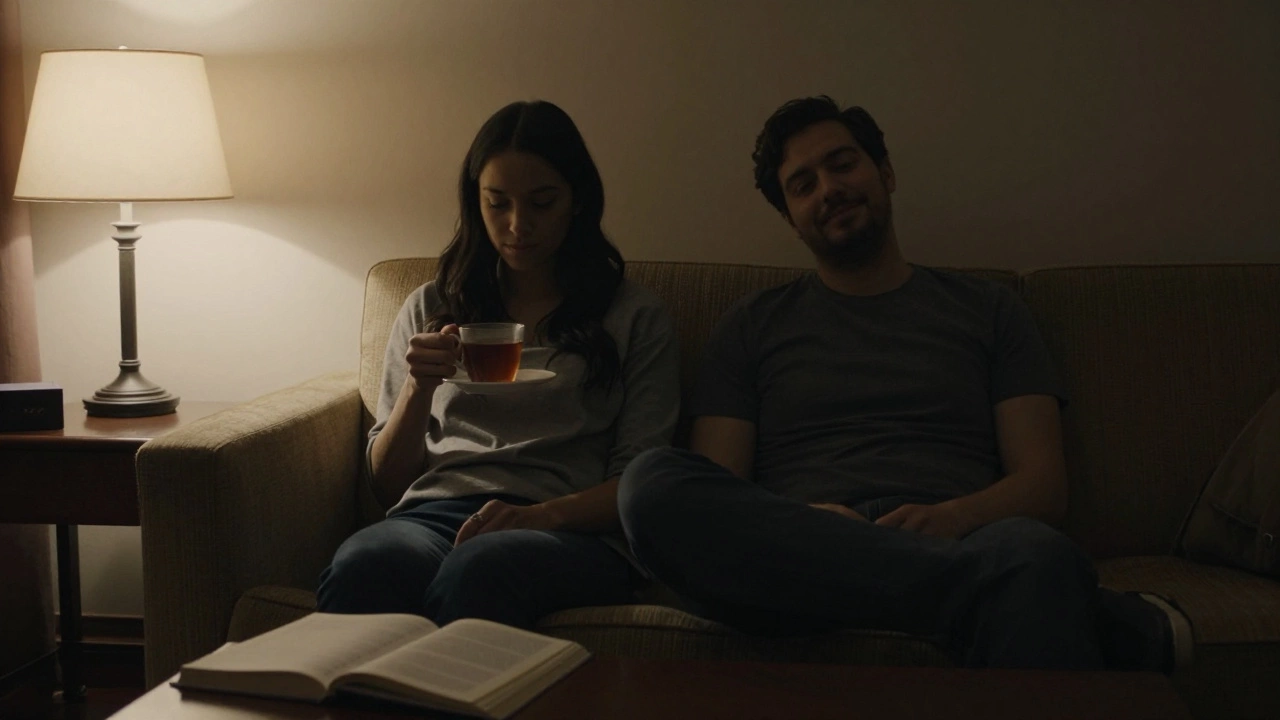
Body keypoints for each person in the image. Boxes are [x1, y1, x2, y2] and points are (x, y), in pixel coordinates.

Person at [617, 96, 1192, 671]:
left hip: (960, 535)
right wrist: (814, 523)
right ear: (792, 220)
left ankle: (974, 587)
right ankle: (1071, 611)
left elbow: (1044, 485)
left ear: (885, 173)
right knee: (650, 486)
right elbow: (721, 489)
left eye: (843, 164)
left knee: (1035, 551)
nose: (829, 189)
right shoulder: (750, 324)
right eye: (803, 185)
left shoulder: (989, 310)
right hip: (794, 557)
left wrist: (955, 518)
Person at [318, 100, 680, 630]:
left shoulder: (632, 316)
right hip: (436, 515)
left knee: (481, 569)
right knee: (366, 563)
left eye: (541, 202)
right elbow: (387, 486)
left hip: (566, 527)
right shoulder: (430, 306)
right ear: (475, 203)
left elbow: (640, 484)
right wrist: (420, 388)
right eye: (497, 203)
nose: (518, 225)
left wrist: (535, 515)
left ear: (576, 200)